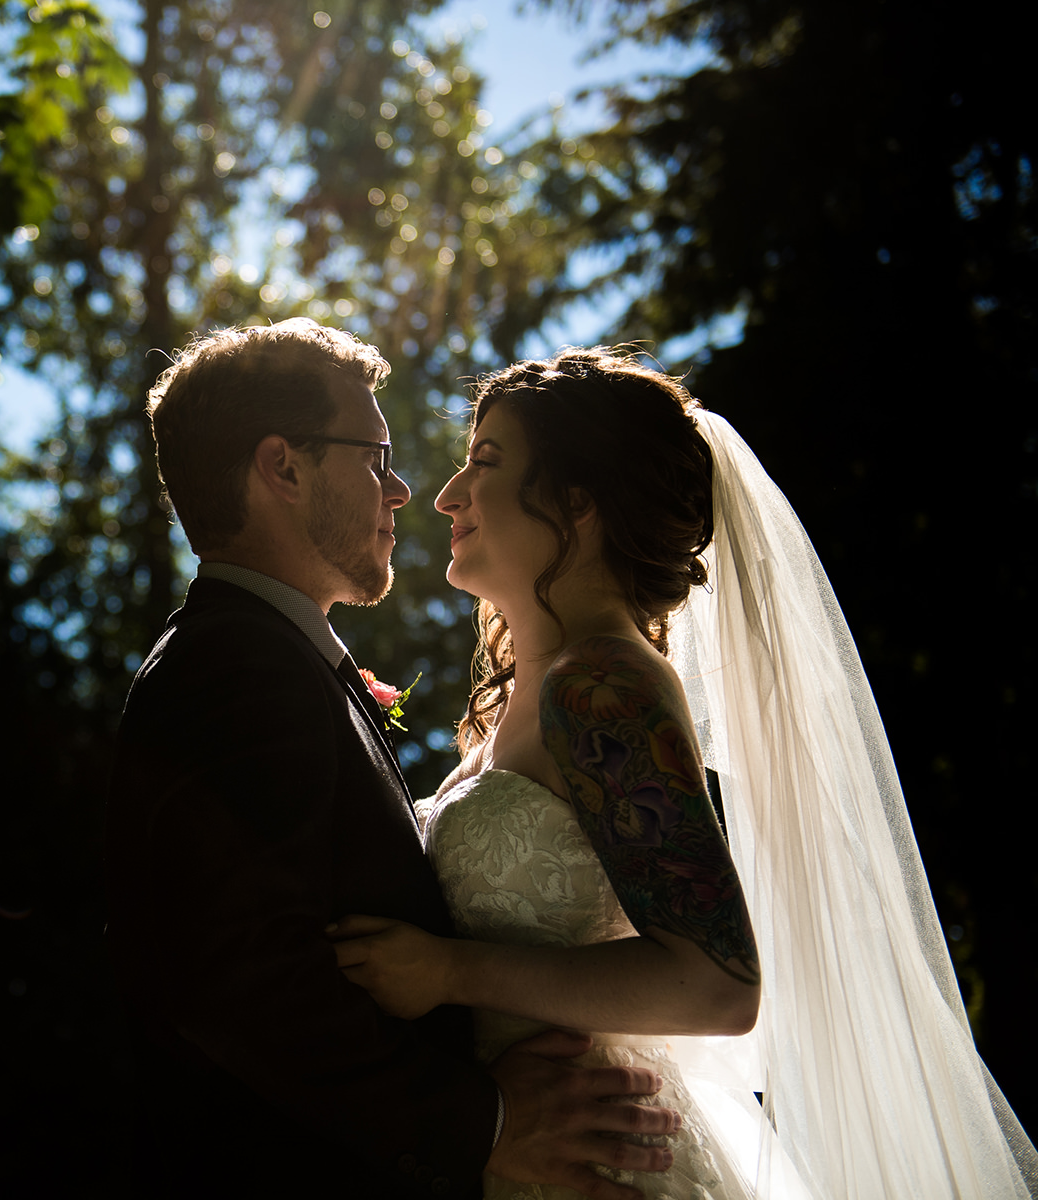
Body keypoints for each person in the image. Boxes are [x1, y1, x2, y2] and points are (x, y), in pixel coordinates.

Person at [329, 349, 1037, 1198]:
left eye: (485, 462)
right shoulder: (541, 691)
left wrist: (449, 971)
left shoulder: (604, 688)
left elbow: (716, 987)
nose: (447, 495)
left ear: (577, 502)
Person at [105, 322, 685, 1200]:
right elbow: (239, 979)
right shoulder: (234, 670)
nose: (408, 488)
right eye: (375, 455)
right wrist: (483, 1123)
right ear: (284, 467)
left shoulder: (271, 663)